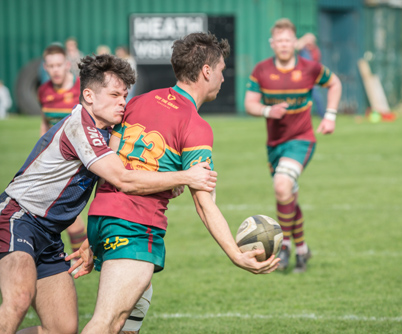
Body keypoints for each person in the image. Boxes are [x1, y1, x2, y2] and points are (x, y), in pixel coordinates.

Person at [0, 53, 217, 334]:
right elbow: (123, 178)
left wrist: (165, 182)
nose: (122, 102)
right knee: (18, 299)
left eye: (125, 95)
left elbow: (136, 167)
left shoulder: (109, 131)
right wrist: (186, 176)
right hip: (20, 217)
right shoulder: (81, 126)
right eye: (114, 95)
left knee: (62, 330)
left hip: (50, 235)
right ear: (88, 95)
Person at [80, 32, 280, 334]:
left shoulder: (137, 102)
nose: (224, 79)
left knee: (134, 308)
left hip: (103, 216)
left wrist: (94, 230)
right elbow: (203, 202)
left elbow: (111, 164)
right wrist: (236, 255)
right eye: (222, 70)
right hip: (134, 225)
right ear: (207, 71)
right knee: (105, 322)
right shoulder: (195, 126)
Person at [244, 18, 342, 273]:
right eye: (279, 41)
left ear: (294, 42)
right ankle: (302, 249)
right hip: (274, 145)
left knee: (281, 186)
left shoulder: (310, 68)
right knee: (288, 196)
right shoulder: (262, 70)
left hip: (302, 140)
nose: (284, 45)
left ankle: (284, 245)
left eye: (288, 40)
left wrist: (330, 115)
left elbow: (335, 83)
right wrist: (267, 110)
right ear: (272, 43)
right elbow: (250, 103)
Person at [38, 44, 88, 258]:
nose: (56, 69)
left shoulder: (81, 89)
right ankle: (83, 255)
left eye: (59, 65)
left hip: (79, 161)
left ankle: (82, 255)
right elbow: (45, 123)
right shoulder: (44, 91)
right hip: (54, 161)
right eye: (51, 66)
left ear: (68, 65)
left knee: (65, 213)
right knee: (64, 213)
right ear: (45, 67)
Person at [296, 33, 326, 117]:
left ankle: (322, 115)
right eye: (308, 40)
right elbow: (296, 45)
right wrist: (304, 39)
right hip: (303, 76)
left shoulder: (315, 50)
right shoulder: (303, 49)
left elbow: (315, 64)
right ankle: (301, 114)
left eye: (311, 40)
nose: (309, 42)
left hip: (312, 76)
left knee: (317, 97)